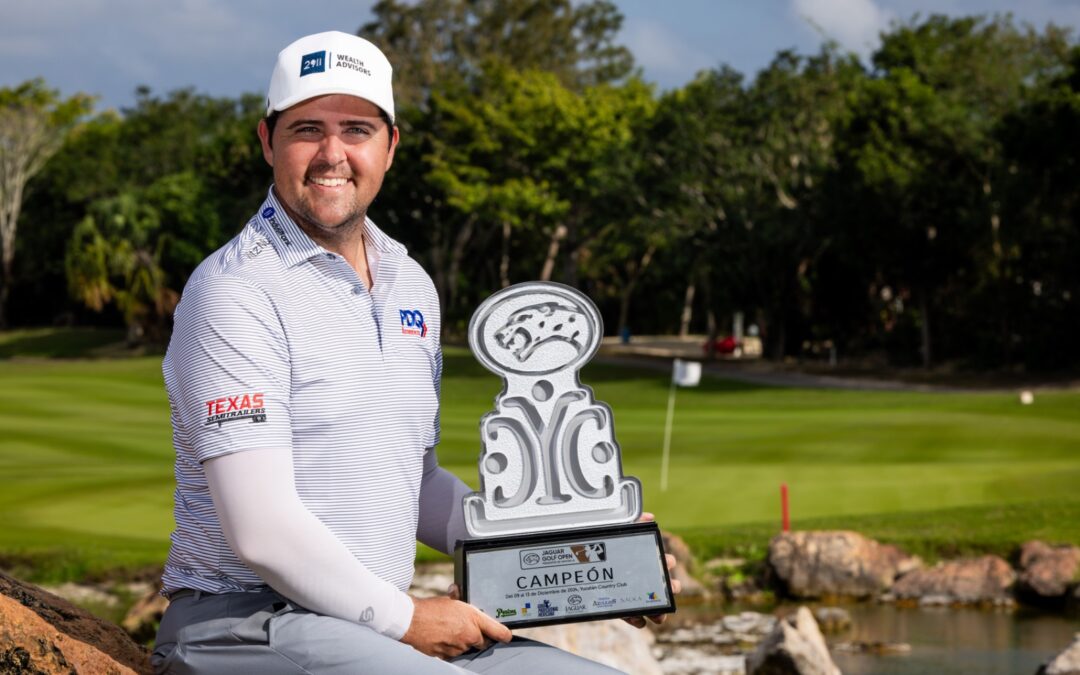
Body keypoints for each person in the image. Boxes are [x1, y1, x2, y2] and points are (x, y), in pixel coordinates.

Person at [152, 31, 677, 674]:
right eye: (307, 130)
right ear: (267, 142)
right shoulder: (234, 289)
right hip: (244, 621)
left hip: (368, 627)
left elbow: (417, 480)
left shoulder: (409, 284)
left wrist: (582, 555)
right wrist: (406, 619)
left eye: (357, 130)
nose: (332, 154)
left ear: (391, 146)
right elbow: (261, 531)